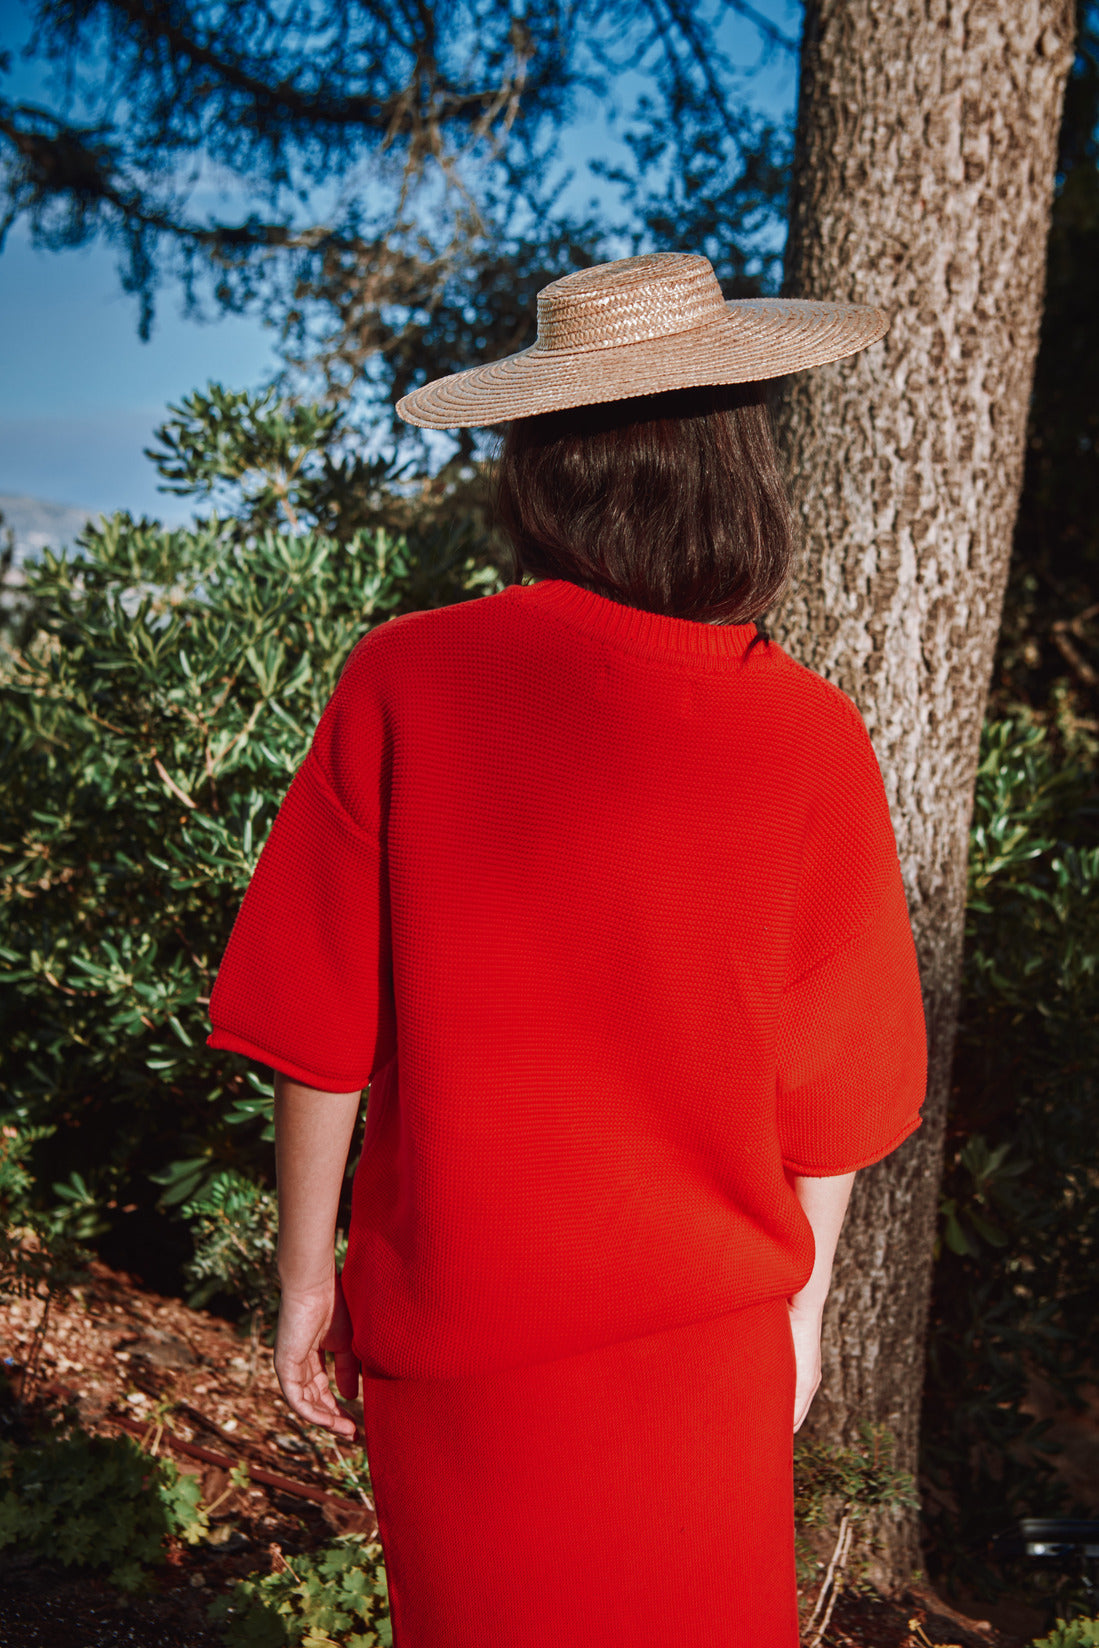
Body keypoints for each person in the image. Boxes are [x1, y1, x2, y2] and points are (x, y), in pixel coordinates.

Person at [206, 251, 927, 1647]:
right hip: (702, 1351)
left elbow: (317, 1026)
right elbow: (833, 1089)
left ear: (539, 463)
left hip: (458, 1348)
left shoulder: (405, 680)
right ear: (740, 466)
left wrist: (307, 1288)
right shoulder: (811, 738)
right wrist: (806, 1315)